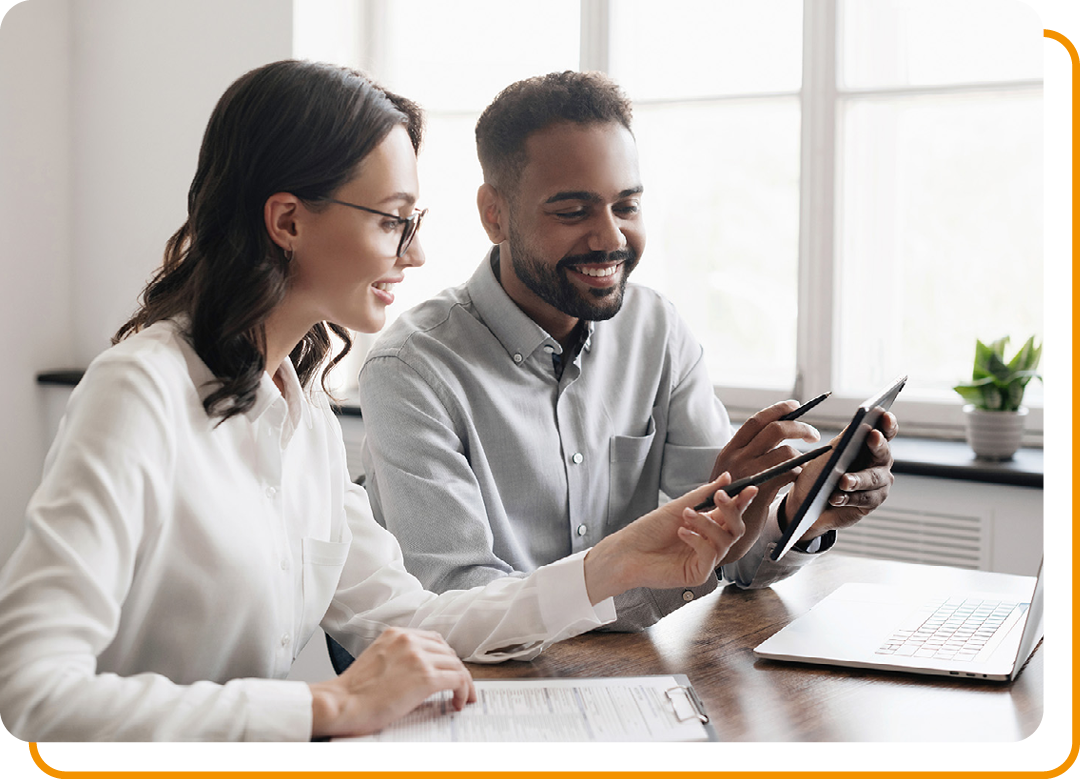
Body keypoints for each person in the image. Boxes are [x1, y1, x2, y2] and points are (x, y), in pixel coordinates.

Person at [0, 61, 758, 743]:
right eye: (393, 220)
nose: (417, 252)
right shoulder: (140, 390)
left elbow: (414, 618)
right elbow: (31, 691)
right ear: (288, 220)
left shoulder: (302, 413)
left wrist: (612, 564)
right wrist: (326, 707)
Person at [355, 70, 898, 640]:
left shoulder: (656, 330)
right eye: (573, 212)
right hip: (475, 689)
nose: (609, 237)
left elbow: (730, 552)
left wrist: (797, 515)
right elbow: (460, 605)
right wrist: (660, 574)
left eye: (627, 206)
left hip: (618, 676)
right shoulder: (411, 370)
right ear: (495, 214)